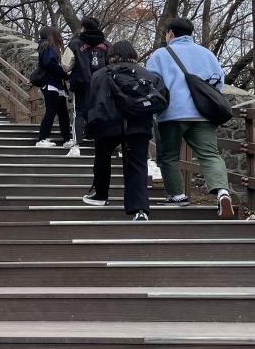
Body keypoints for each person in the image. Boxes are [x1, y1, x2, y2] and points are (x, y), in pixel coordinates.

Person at [146, 16, 234, 216]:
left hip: (171, 114)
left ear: (171, 33)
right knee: (210, 154)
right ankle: (222, 192)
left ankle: (177, 196)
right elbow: (219, 82)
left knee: (169, 156)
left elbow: (151, 82)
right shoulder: (206, 54)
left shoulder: (161, 54)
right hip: (203, 113)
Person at [82, 41, 164, 221]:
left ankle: (100, 195)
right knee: (137, 165)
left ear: (111, 56)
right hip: (138, 124)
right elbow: (161, 97)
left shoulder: (100, 74)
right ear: (133, 53)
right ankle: (139, 209)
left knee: (102, 157)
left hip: (107, 123)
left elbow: (92, 101)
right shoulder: (148, 74)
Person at [65, 17, 109, 157]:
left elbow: (66, 65)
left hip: (81, 84)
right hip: (101, 85)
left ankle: (77, 144)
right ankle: (98, 140)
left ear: (83, 27)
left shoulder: (75, 43)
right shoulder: (106, 45)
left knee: (79, 112)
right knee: (99, 112)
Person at [34, 26, 72, 148]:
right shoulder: (46, 46)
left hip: (56, 85)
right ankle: (42, 138)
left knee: (63, 113)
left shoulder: (47, 47)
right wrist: (62, 71)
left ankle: (67, 138)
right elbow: (48, 63)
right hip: (51, 84)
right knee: (51, 111)